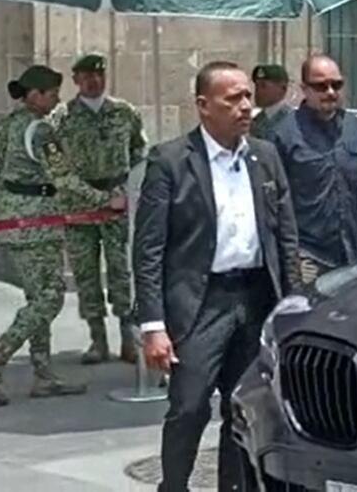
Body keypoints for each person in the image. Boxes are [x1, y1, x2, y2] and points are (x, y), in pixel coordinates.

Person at [133, 61, 299, 492]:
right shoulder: (170, 161)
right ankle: (173, 486)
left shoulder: (265, 156)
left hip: (255, 296)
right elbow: (148, 248)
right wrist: (153, 325)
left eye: (248, 96)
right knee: (188, 407)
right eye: (233, 99)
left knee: (243, 410)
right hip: (199, 303)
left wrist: (294, 305)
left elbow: (286, 238)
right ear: (204, 106)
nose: (246, 106)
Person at [0, 65, 127, 405]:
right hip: (37, 223)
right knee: (51, 297)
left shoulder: (8, 124)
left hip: (15, 218)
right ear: (36, 94)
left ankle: (43, 374)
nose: (57, 100)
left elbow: (0, 168)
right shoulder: (41, 131)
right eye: (52, 94)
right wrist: (106, 200)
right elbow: (64, 178)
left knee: (36, 295)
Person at [56, 53, 147, 364]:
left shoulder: (125, 112)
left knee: (122, 270)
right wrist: (94, 197)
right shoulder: (62, 118)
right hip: (79, 204)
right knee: (86, 273)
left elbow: (138, 149)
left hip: (119, 201)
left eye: (99, 75)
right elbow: (57, 167)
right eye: (86, 76)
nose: (94, 81)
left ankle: (128, 338)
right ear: (76, 80)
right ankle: (97, 339)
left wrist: (129, 187)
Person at [270, 55, 357, 282]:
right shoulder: (284, 135)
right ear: (304, 89)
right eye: (320, 86)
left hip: (350, 255)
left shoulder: (356, 129)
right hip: (307, 257)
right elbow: (271, 203)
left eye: (336, 84)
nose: (330, 92)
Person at [250, 64, 291, 140]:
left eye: (263, 86)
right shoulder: (256, 121)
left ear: (283, 88)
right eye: (256, 86)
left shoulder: (294, 120)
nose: (258, 91)